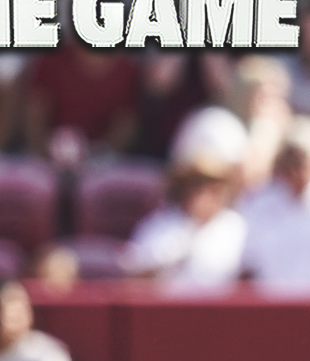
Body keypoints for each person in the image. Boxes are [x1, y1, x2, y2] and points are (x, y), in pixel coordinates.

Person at [121, 107, 249, 291]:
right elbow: (131, 283)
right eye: (195, 183)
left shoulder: (239, 230)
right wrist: (165, 265)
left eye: (213, 184)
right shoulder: (157, 226)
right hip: (165, 318)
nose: (204, 192)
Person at [238, 116, 310, 293]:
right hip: (269, 310)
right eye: (289, 159)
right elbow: (248, 264)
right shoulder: (260, 203)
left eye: (300, 160)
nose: (294, 169)